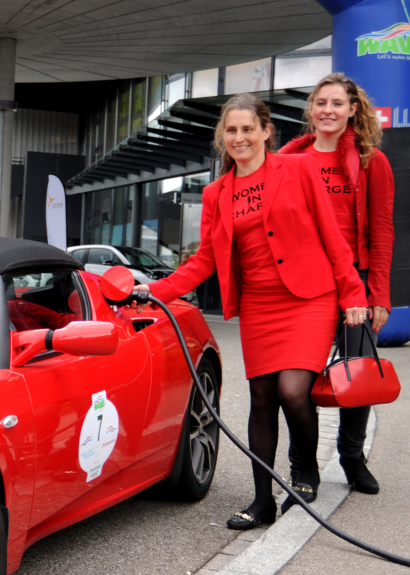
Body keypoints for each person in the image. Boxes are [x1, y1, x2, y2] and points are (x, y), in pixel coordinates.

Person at [140, 94, 367, 530]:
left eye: (248, 129)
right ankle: (262, 500)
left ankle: (305, 472)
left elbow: (333, 236)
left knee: (293, 390)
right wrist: (157, 290)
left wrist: (352, 292)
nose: (240, 137)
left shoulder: (298, 170)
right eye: (231, 130)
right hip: (260, 305)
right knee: (262, 398)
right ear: (222, 138)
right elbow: (204, 258)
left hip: (309, 299)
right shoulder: (216, 193)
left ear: (266, 131)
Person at [278, 73, 395, 495]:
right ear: (311, 109)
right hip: (305, 282)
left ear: (352, 110)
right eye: (321, 102)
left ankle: (351, 456)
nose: (328, 110)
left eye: (337, 103)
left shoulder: (371, 161)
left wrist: (378, 292)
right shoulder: (289, 161)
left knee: (358, 373)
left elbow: (382, 230)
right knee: (297, 382)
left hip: (355, 279)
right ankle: (302, 468)